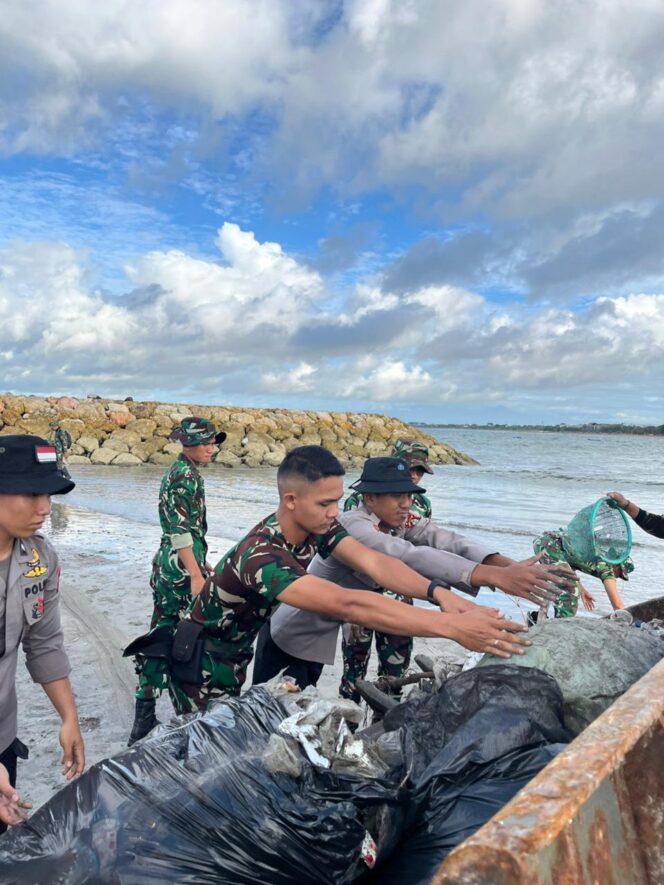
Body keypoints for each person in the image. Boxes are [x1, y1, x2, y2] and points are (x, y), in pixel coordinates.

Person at [162, 445, 565, 715]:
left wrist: (439, 593)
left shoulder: (321, 525)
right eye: (325, 502)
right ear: (290, 500)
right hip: (205, 658)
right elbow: (347, 604)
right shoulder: (260, 556)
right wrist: (450, 627)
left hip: (242, 647)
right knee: (203, 751)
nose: (333, 511)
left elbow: (375, 564)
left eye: (337, 500)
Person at [255, 457, 572, 700]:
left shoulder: (397, 521)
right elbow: (404, 555)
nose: (405, 503)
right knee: (268, 710)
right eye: (395, 496)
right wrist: (487, 578)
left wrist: (506, 566)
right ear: (369, 499)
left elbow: (444, 540)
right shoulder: (353, 524)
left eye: (408, 494)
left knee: (293, 708)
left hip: (320, 635)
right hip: (292, 634)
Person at [0, 435, 85, 832]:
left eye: (49, 494)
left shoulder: (39, 558)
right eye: (32, 492)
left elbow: (44, 643)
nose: (45, 508)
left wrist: (69, 717)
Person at [127, 417, 226, 745]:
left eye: (214, 442)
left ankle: (145, 710)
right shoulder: (184, 475)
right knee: (185, 636)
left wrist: (200, 561)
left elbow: (183, 531)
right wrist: (195, 574)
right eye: (208, 442)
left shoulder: (182, 471)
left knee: (164, 631)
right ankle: (185, 710)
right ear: (190, 444)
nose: (213, 448)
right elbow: (179, 529)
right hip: (180, 568)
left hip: (174, 562)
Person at [340, 438, 434, 697]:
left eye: (420, 471)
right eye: (411, 468)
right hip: (363, 591)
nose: (415, 476)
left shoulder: (422, 505)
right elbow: (352, 551)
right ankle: (346, 728)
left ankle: (387, 726)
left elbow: (416, 547)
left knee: (396, 671)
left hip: (399, 595)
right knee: (354, 670)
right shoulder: (359, 502)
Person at [532, 529, 634, 619]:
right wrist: (627, 620)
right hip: (551, 545)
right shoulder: (607, 567)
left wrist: (582, 590)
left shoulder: (599, 554)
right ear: (617, 565)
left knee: (562, 583)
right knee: (570, 590)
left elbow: (570, 571)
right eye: (619, 574)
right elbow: (617, 604)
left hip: (545, 542)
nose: (616, 577)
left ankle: (539, 618)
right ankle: (561, 628)